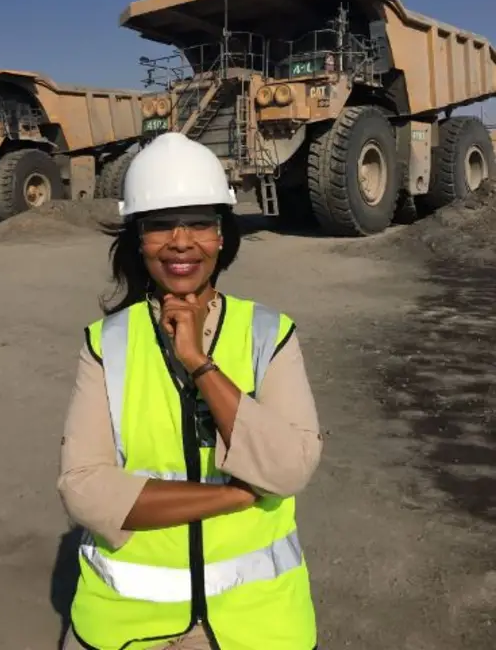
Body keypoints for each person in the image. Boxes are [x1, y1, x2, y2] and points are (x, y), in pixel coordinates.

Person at [57, 132, 323, 650]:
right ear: (139, 239)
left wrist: (199, 364)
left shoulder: (270, 334)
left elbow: (289, 470)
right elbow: (84, 490)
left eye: (200, 222)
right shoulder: (106, 344)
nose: (181, 241)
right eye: (160, 226)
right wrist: (232, 497)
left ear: (223, 235)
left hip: (258, 624)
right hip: (127, 624)